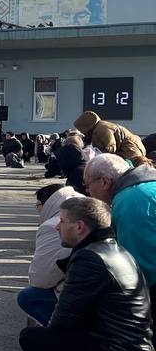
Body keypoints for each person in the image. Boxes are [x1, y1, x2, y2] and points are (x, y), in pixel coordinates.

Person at [18, 197, 156, 351]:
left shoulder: (89, 257)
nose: (56, 226)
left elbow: (64, 321)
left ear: (80, 226)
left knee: (32, 338)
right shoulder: (116, 249)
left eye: (62, 221)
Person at [83, 154, 156, 292]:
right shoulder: (148, 185)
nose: (87, 191)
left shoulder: (129, 202)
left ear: (105, 182)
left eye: (87, 185)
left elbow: (142, 268)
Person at [18, 183, 80, 325]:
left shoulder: (52, 226)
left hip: (75, 295)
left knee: (28, 297)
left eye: (38, 205)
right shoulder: (90, 209)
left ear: (47, 204)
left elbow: (40, 278)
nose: (37, 210)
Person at [74, 111, 146, 163]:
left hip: (130, 153)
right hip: (129, 152)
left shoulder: (102, 128)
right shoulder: (100, 128)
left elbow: (111, 148)